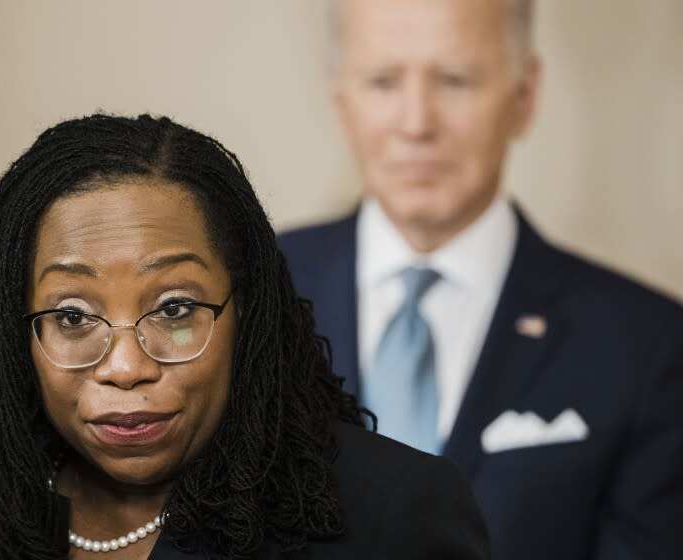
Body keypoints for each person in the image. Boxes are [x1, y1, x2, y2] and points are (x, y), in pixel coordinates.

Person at [0, 114, 489, 559]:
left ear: (248, 316)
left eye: (174, 308)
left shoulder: (391, 511)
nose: (126, 367)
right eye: (74, 317)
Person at [278, 0, 683, 559]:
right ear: (340, 102)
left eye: (455, 79)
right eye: (383, 81)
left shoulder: (646, 343)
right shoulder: (247, 293)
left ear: (525, 96)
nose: (417, 123)